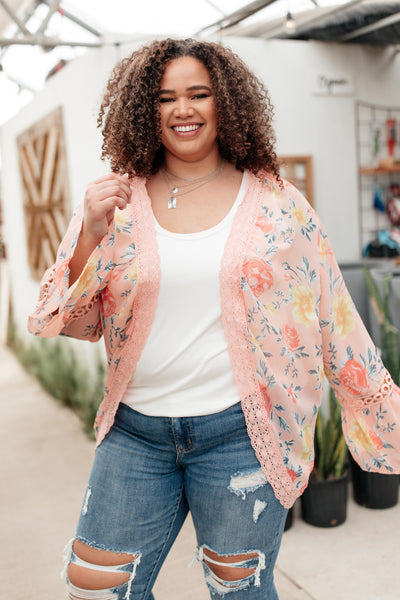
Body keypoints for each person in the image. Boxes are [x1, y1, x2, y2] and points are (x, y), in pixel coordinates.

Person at [28, 38, 400, 600]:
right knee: (95, 587)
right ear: (143, 109)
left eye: (198, 94)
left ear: (224, 102)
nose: (183, 110)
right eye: (165, 98)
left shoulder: (278, 202)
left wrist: (374, 407)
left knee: (240, 591)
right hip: (136, 435)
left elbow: (331, 309)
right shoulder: (118, 203)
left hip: (240, 437)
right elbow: (80, 324)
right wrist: (87, 237)